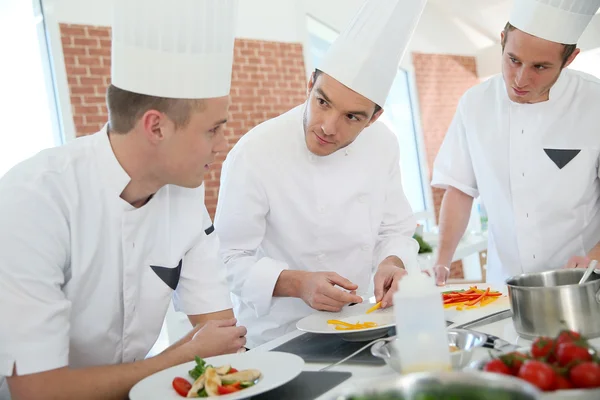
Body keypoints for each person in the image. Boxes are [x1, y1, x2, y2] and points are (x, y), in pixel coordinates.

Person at [0, 0, 247, 399]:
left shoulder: (184, 192)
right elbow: (38, 390)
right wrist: (175, 359)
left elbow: (220, 337)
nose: (223, 144)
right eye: (213, 130)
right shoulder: (35, 200)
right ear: (156, 127)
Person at [215, 0, 427, 348]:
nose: (328, 127)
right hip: (279, 339)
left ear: (374, 118)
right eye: (323, 102)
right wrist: (296, 283)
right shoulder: (255, 152)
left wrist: (392, 262)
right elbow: (226, 259)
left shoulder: (383, 144)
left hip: (360, 326)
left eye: (352, 117)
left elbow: (394, 229)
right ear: (310, 84)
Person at [431, 0, 600, 286]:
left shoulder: (594, 103)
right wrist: (442, 262)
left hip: (585, 284)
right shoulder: (474, 104)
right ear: (502, 41)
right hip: (506, 286)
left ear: (569, 60)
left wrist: (594, 259)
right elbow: (460, 189)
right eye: (513, 60)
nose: (521, 79)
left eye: (540, 67)